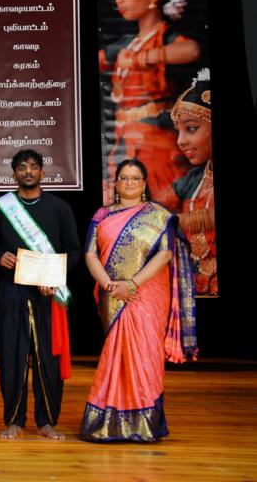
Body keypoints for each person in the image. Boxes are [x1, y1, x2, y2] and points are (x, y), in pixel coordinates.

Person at [80, 158, 197, 442]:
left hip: (147, 295)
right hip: (112, 295)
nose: (129, 182)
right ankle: (107, 422)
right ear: (116, 183)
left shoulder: (158, 215)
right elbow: (90, 254)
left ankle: (144, 423)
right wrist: (109, 285)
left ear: (144, 183)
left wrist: (132, 284)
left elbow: (165, 254)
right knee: (115, 356)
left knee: (145, 355)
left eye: (135, 178)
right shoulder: (102, 214)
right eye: (124, 177)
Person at [0, 149, 81, 440]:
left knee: (47, 360)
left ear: (42, 172)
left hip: (47, 295)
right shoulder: (0, 207)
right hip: (11, 291)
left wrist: (53, 278)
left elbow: (74, 250)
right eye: (22, 167)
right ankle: (14, 419)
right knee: (11, 358)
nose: (28, 171)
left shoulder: (60, 208)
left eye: (33, 167)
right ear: (13, 173)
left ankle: (46, 421)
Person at [99, 0, 202, 205]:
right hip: (124, 142)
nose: (118, 0)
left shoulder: (164, 37)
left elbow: (192, 50)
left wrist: (141, 59)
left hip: (156, 143)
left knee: (161, 208)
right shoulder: (128, 44)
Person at [171, 69, 216, 295]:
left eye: (191, 128)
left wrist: (174, 222)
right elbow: (157, 202)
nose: (180, 141)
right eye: (178, 131)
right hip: (193, 280)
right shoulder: (194, 178)